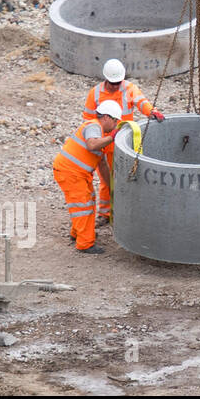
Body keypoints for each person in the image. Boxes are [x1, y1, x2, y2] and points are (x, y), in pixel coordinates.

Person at [82, 58, 164, 226]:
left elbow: (142, 102)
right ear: (105, 79)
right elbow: (88, 120)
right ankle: (105, 213)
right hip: (104, 143)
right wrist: (95, 139)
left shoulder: (129, 89)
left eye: (118, 82)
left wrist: (152, 112)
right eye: (112, 83)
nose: (115, 86)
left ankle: (126, 210)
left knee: (126, 177)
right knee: (106, 179)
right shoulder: (95, 94)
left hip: (123, 143)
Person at [53, 100, 123, 254]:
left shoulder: (100, 135)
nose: (116, 124)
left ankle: (78, 233)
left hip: (77, 173)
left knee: (88, 202)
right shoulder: (93, 126)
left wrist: (112, 188)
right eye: (115, 120)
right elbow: (92, 144)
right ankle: (85, 244)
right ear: (106, 117)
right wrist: (112, 137)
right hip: (70, 172)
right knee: (83, 205)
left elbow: (102, 165)